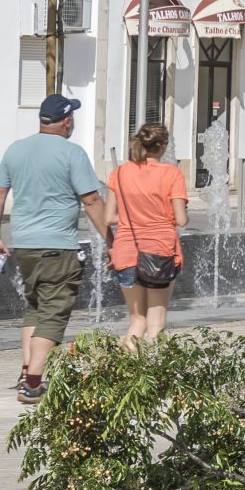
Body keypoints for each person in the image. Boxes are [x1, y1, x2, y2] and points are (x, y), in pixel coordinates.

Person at [0, 95, 111, 403]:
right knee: (54, 313)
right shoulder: (72, 153)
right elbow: (92, 201)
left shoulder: (16, 149)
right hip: (58, 247)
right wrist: (112, 240)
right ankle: (33, 383)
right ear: (67, 121)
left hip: (24, 245)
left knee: (36, 308)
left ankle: (26, 370)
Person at [104, 120, 190, 346]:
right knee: (156, 324)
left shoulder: (119, 173)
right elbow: (181, 219)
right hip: (160, 252)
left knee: (137, 320)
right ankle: (155, 366)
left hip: (126, 251)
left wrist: (133, 216)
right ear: (163, 146)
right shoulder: (172, 174)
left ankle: (128, 365)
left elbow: (108, 218)